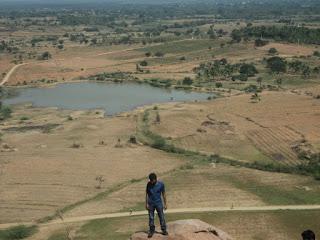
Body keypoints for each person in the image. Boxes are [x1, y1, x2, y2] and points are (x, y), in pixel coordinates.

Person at [145, 172, 168, 238]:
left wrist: (165, 203)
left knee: (161, 216)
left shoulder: (161, 184)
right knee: (151, 217)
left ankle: (164, 230)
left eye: (152, 180)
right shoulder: (148, 184)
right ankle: (151, 231)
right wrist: (146, 203)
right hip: (150, 203)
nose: (151, 182)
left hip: (159, 203)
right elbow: (146, 194)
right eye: (150, 180)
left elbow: (163, 194)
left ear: (155, 179)